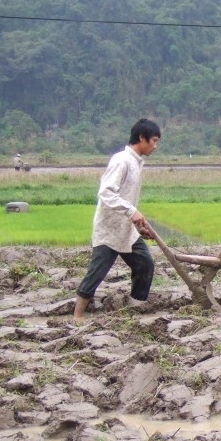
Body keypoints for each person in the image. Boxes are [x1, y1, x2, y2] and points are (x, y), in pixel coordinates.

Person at [73, 118, 161, 320]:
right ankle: (77, 317)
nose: (155, 146)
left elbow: (126, 196)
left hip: (126, 230)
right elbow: (106, 192)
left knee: (144, 264)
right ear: (141, 137)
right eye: (153, 141)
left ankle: (136, 307)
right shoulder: (121, 160)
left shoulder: (137, 162)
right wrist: (132, 211)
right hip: (109, 228)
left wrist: (137, 226)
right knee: (97, 272)